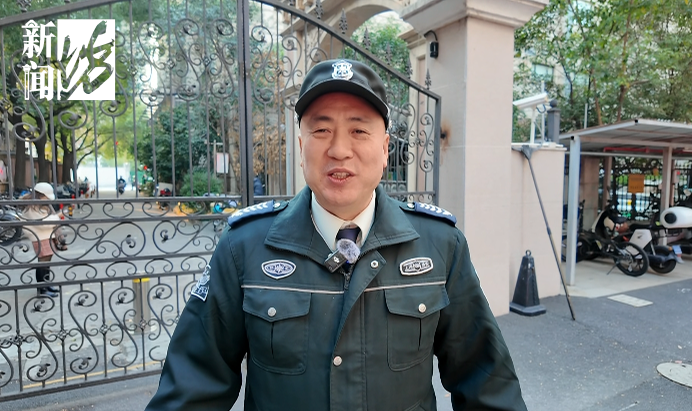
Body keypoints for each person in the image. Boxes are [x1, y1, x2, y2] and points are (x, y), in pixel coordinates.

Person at [146, 59, 527, 410]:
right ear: (301, 147)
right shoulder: (244, 248)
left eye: (358, 130)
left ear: (384, 149)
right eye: (321, 130)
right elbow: (192, 388)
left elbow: (487, 384)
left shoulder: (440, 246)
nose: (339, 150)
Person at [20, 182, 62, 298]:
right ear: (41, 195)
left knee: (46, 263)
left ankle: (46, 285)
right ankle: (42, 289)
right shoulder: (32, 207)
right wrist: (57, 217)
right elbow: (43, 223)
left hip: (45, 236)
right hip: (40, 237)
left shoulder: (38, 205)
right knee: (43, 263)